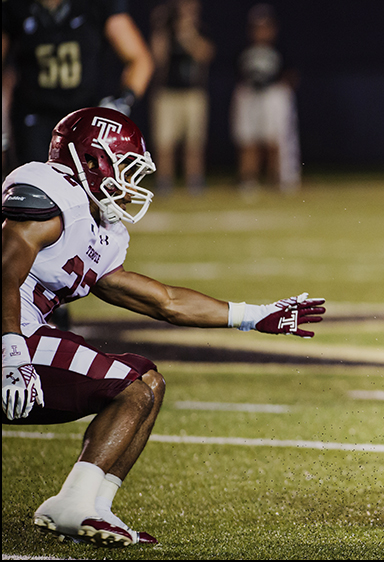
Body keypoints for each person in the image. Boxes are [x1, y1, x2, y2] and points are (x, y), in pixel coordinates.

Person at [1, 106, 325, 547]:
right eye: (124, 167)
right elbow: (4, 272)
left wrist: (255, 315)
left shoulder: (98, 230)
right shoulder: (53, 194)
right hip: (10, 337)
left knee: (149, 384)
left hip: (22, 334)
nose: (131, 185)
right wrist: (12, 352)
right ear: (91, 162)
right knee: (130, 385)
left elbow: (164, 301)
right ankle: (69, 504)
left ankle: (94, 506)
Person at [2, 0, 155, 333]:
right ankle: (28, 305)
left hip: (82, 125)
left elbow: (138, 58)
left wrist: (122, 101)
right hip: (33, 120)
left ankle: (64, 291)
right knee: (33, 214)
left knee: (88, 213)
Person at [1, 0, 154, 170]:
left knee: (92, 193)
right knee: (32, 195)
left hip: (85, 116)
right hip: (33, 115)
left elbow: (139, 58)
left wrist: (122, 101)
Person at [230, 4, 301, 198]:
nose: (261, 31)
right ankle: (248, 180)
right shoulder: (243, 49)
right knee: (248, 139)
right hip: (250, 96)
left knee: (273, 139)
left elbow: (291, 75)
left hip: (272, 95)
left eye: (265, 26)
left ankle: (275, 179)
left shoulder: (281, 49)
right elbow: (237, 74)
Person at [149, 0, 215, 196]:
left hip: (193, 94)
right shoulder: (166, 32)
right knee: (165, 141)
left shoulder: (200, 30)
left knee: (194, 141)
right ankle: (164, 182)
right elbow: (157, 58)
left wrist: (187, 34)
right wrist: (160, 27)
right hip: (167, 94)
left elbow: (205, 54)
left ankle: (194, 181)